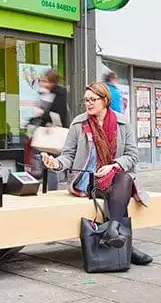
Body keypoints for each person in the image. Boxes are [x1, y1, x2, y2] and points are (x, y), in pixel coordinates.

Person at [41, 82, 152, 266]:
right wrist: (56, 163)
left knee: (123, 178)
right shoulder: (79, 124)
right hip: (88, 180)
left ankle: (113, 231)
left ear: (105, 100)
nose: (89, 103)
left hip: (113, 176)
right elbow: (68, 155)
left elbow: (132, 156)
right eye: (86, 100)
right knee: (120, 189)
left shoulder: (122, 123)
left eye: (93, 99)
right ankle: (125, 246)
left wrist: (113, 165)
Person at [26, 69, 69, 189]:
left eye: (45, 81)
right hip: (45, 133)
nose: (42, 83)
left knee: (50, 164)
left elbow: (59, 114)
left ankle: (51, 190)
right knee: (43, 162)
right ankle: (45, 187)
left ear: (51, 82)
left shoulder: (60, 94)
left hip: (54, 134)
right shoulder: (44, 93)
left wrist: (43, 114)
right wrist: (31, 121)